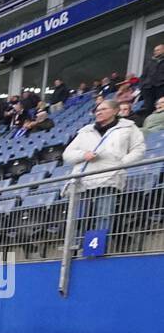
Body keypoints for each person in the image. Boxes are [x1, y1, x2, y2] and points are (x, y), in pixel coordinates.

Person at [61, 97, 146, 235]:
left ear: (115, 111)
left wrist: (120, 164)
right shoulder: (85, 131)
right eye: (97, 110)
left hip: (109, 179)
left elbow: (139, 150)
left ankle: (99, 250)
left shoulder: (128, 128)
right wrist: (84, 155)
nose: (98, 112)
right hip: (83, 181)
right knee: (80, 219)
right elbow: (67, 154)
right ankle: (77, 249)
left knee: (104, 215)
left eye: (103, 109)